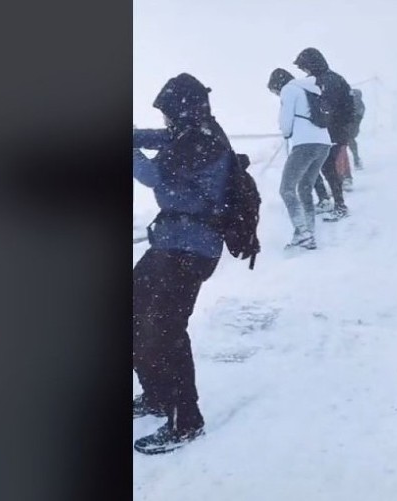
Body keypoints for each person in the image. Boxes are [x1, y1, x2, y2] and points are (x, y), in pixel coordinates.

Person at [131, 73, 234, 454]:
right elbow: (159, 140)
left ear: (182, 109)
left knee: (167, 329)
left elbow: (156, 177)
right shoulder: (192, 132)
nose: (165, 123)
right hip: (172, 244)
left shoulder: (201, 141)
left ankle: (185, 421)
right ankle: (157, 396)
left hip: (191, 249)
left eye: (168, 114)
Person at [267, 68, 331, 250]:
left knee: (286, 189)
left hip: (305, 144)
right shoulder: (309, 89)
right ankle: (308, 233)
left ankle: (303, 232)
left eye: (275, 91)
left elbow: (286, 125)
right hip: (323, 143)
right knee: (305, 188)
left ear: (278, 84)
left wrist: (286, 131)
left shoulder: (289, 89)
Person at [294, 47, 353, 220]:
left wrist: (317, 123)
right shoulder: (332, 79)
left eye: (304, 67)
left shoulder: (325, 82)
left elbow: (325, 109)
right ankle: (336, 203)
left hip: (330, 133)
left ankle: (340, 205)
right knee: (326, 168)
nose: (304, 71)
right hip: (334, 132)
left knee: (328, 169)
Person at [346, 88, 366, 170]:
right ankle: (356, 160)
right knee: (350, 142)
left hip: (350, 128)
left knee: (348, 142)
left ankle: (356, 160)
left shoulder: (358, 105)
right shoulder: (360, 105)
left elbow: (356, 118)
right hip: (351, 128)